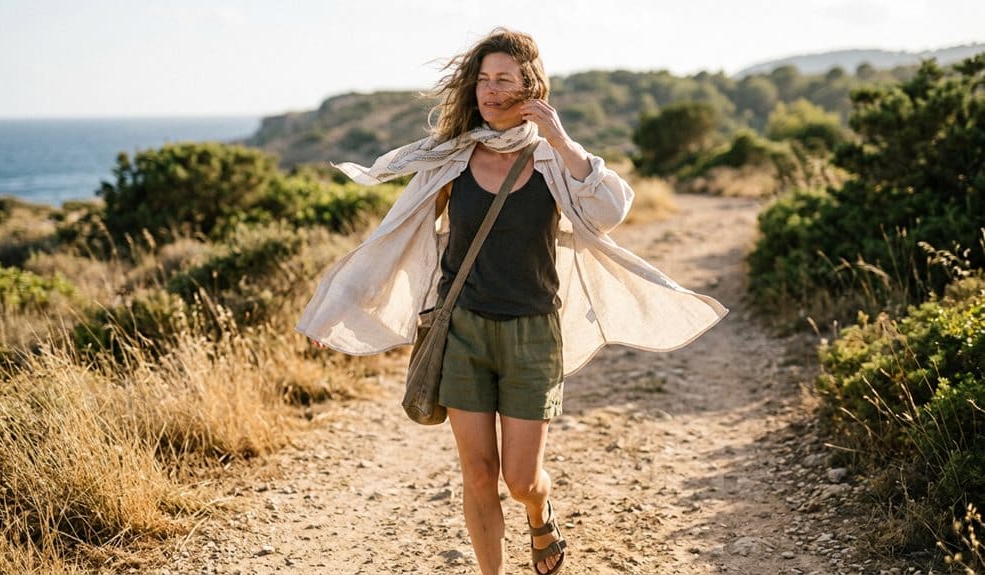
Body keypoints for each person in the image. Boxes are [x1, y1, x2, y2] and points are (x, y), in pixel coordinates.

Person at [297, 28, 727, 575]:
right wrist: (336, 310)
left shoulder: (552, 161)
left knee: (520, 479)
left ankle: (540, 510)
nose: (491, 91)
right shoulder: (451, 160)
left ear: (531, 87)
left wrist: (564, 141)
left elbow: (612, 208)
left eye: (504, 79)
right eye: (483, 80)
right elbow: (395, 236)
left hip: (532, 333)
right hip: (463, 331)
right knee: (477, 473)